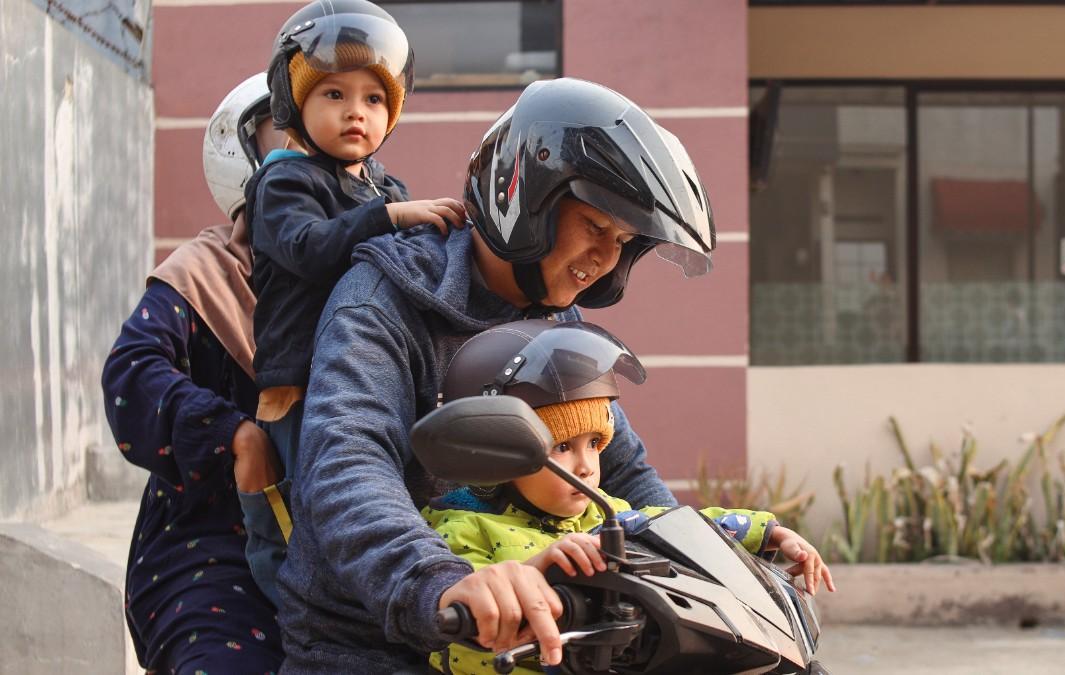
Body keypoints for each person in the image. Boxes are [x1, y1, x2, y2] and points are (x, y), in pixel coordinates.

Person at [276, 76, 717, 673]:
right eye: (594, 227)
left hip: (531, 631)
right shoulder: (382, 301)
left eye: (623, 241)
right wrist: (437, 578)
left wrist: (708, 560)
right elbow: (347, 460)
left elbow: (624, 468)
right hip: (375, 639)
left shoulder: (559, 319)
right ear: (528, 199)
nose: (605, 259)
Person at [423, 319, 836, 674]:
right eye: (561, 447)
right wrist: (534, 572)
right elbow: (462, 619)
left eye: (595, 444)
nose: (586, 466)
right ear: (502, 455)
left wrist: (768, 533)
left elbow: (681, 529)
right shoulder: (460, 531)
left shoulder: (608, 518)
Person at [240, 0, 468, 606]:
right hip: (303, 381)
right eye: (334, 95)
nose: (355, 113)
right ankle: (291, 609)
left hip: (374, 373)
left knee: (384, 490)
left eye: (373, 100)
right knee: (301, 507)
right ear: (293, 103)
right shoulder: (284, 180)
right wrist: (389, 216)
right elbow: (309, 249)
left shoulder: (382, 185)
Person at [100, 73, 288, 674]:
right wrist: (235, 435)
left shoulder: (362, 271)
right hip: (209, 547)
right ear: (243, 155)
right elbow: (132, 376)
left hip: (337, 548)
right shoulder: (201, 274)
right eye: (286, 137)